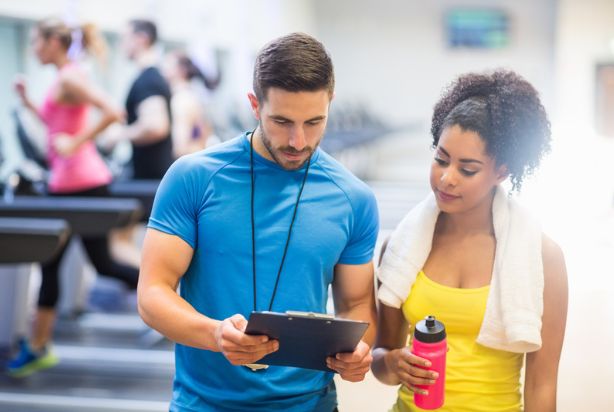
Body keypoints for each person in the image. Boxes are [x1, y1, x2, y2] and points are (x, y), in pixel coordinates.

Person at [138, 32, 379, 411]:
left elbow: (358, 303)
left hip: (310, 403)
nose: (298, 141)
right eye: (282, 121)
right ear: (254, 105)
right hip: (205, 402)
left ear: (330, 103)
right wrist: (215, 334)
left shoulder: (354, 198)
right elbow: (153, 294)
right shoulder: (194, 178)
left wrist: (358, 350)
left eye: (314, 122)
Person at [371, 70, 568, 412]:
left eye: (468, 169)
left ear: (502, 172)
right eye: (441, 159)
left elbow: (542, 384)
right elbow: (381, 359)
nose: (446, 178)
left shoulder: (542, 257)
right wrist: (390, 364)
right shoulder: (401, 247)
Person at [6, 18, 140, 377]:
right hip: (67, 184)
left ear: (53, 43)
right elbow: (57, 126)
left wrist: (77, 142)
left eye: (36, 41)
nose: (33, 48)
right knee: (52, 262)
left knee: (104, 265)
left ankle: (175, 295)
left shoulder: (69, 77)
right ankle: (38, 346)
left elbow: (114, 111)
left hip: (83, 183)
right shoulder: (64, 76)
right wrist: (28, 103)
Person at [106, 19, 173, 179]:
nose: (121, 44)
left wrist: (118, 135)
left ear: (141, 39)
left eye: (124, 38)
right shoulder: (150, 77)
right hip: (150, 175)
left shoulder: (148, 79)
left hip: (151, 179)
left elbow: (155, 127)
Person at [162, 50, 220, 158]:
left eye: (167, 65)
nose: (163, 70)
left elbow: (180, 148)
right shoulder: (190, 96)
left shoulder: (182, 100)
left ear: (181, 71)